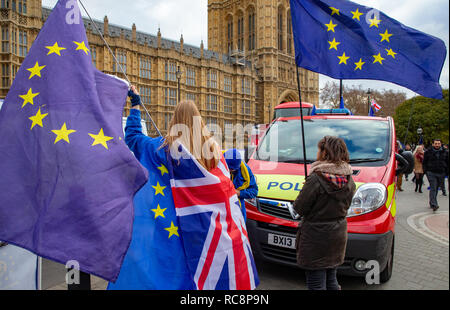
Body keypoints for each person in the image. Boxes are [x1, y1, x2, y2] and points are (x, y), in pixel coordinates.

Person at [293, 136, 356, 290]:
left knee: (316, 283)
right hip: (337, 234)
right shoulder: (349, 178)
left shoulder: (316, 178)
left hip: (316, 237)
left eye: (319, 149)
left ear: (325, 153)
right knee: (331, 279)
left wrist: (308, 187)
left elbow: (299, 208)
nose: (317, 153)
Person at [224, 149, 258, 221]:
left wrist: (239, 193)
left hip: (238, 211)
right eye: (227, 169)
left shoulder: (245, 171)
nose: (229, 172)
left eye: (232, 170)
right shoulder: (215, 166)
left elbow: (254, 191)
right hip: (221, 209)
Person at [423, 139, 449, 211]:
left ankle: (432, 202)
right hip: (431, 172)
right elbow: (424, 162)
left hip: (441, 172)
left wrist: (446, 172)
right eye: (435, 143)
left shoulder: (445, 152)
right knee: (433, 187)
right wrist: (425, 171)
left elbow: (447, 162)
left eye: (438, 143)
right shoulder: (428, 152)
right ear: (433, 144)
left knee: (436, 188)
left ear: (441, 144)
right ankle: (434, 204)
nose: (437, 145)